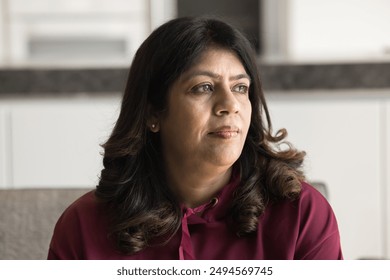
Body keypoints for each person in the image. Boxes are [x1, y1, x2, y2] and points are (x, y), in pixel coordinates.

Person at [47, 17, 343, 260]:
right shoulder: (82, 227)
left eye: (240, 88)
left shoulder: (302, 215)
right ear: (153, 112)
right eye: (203, 87)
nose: (230, 104)